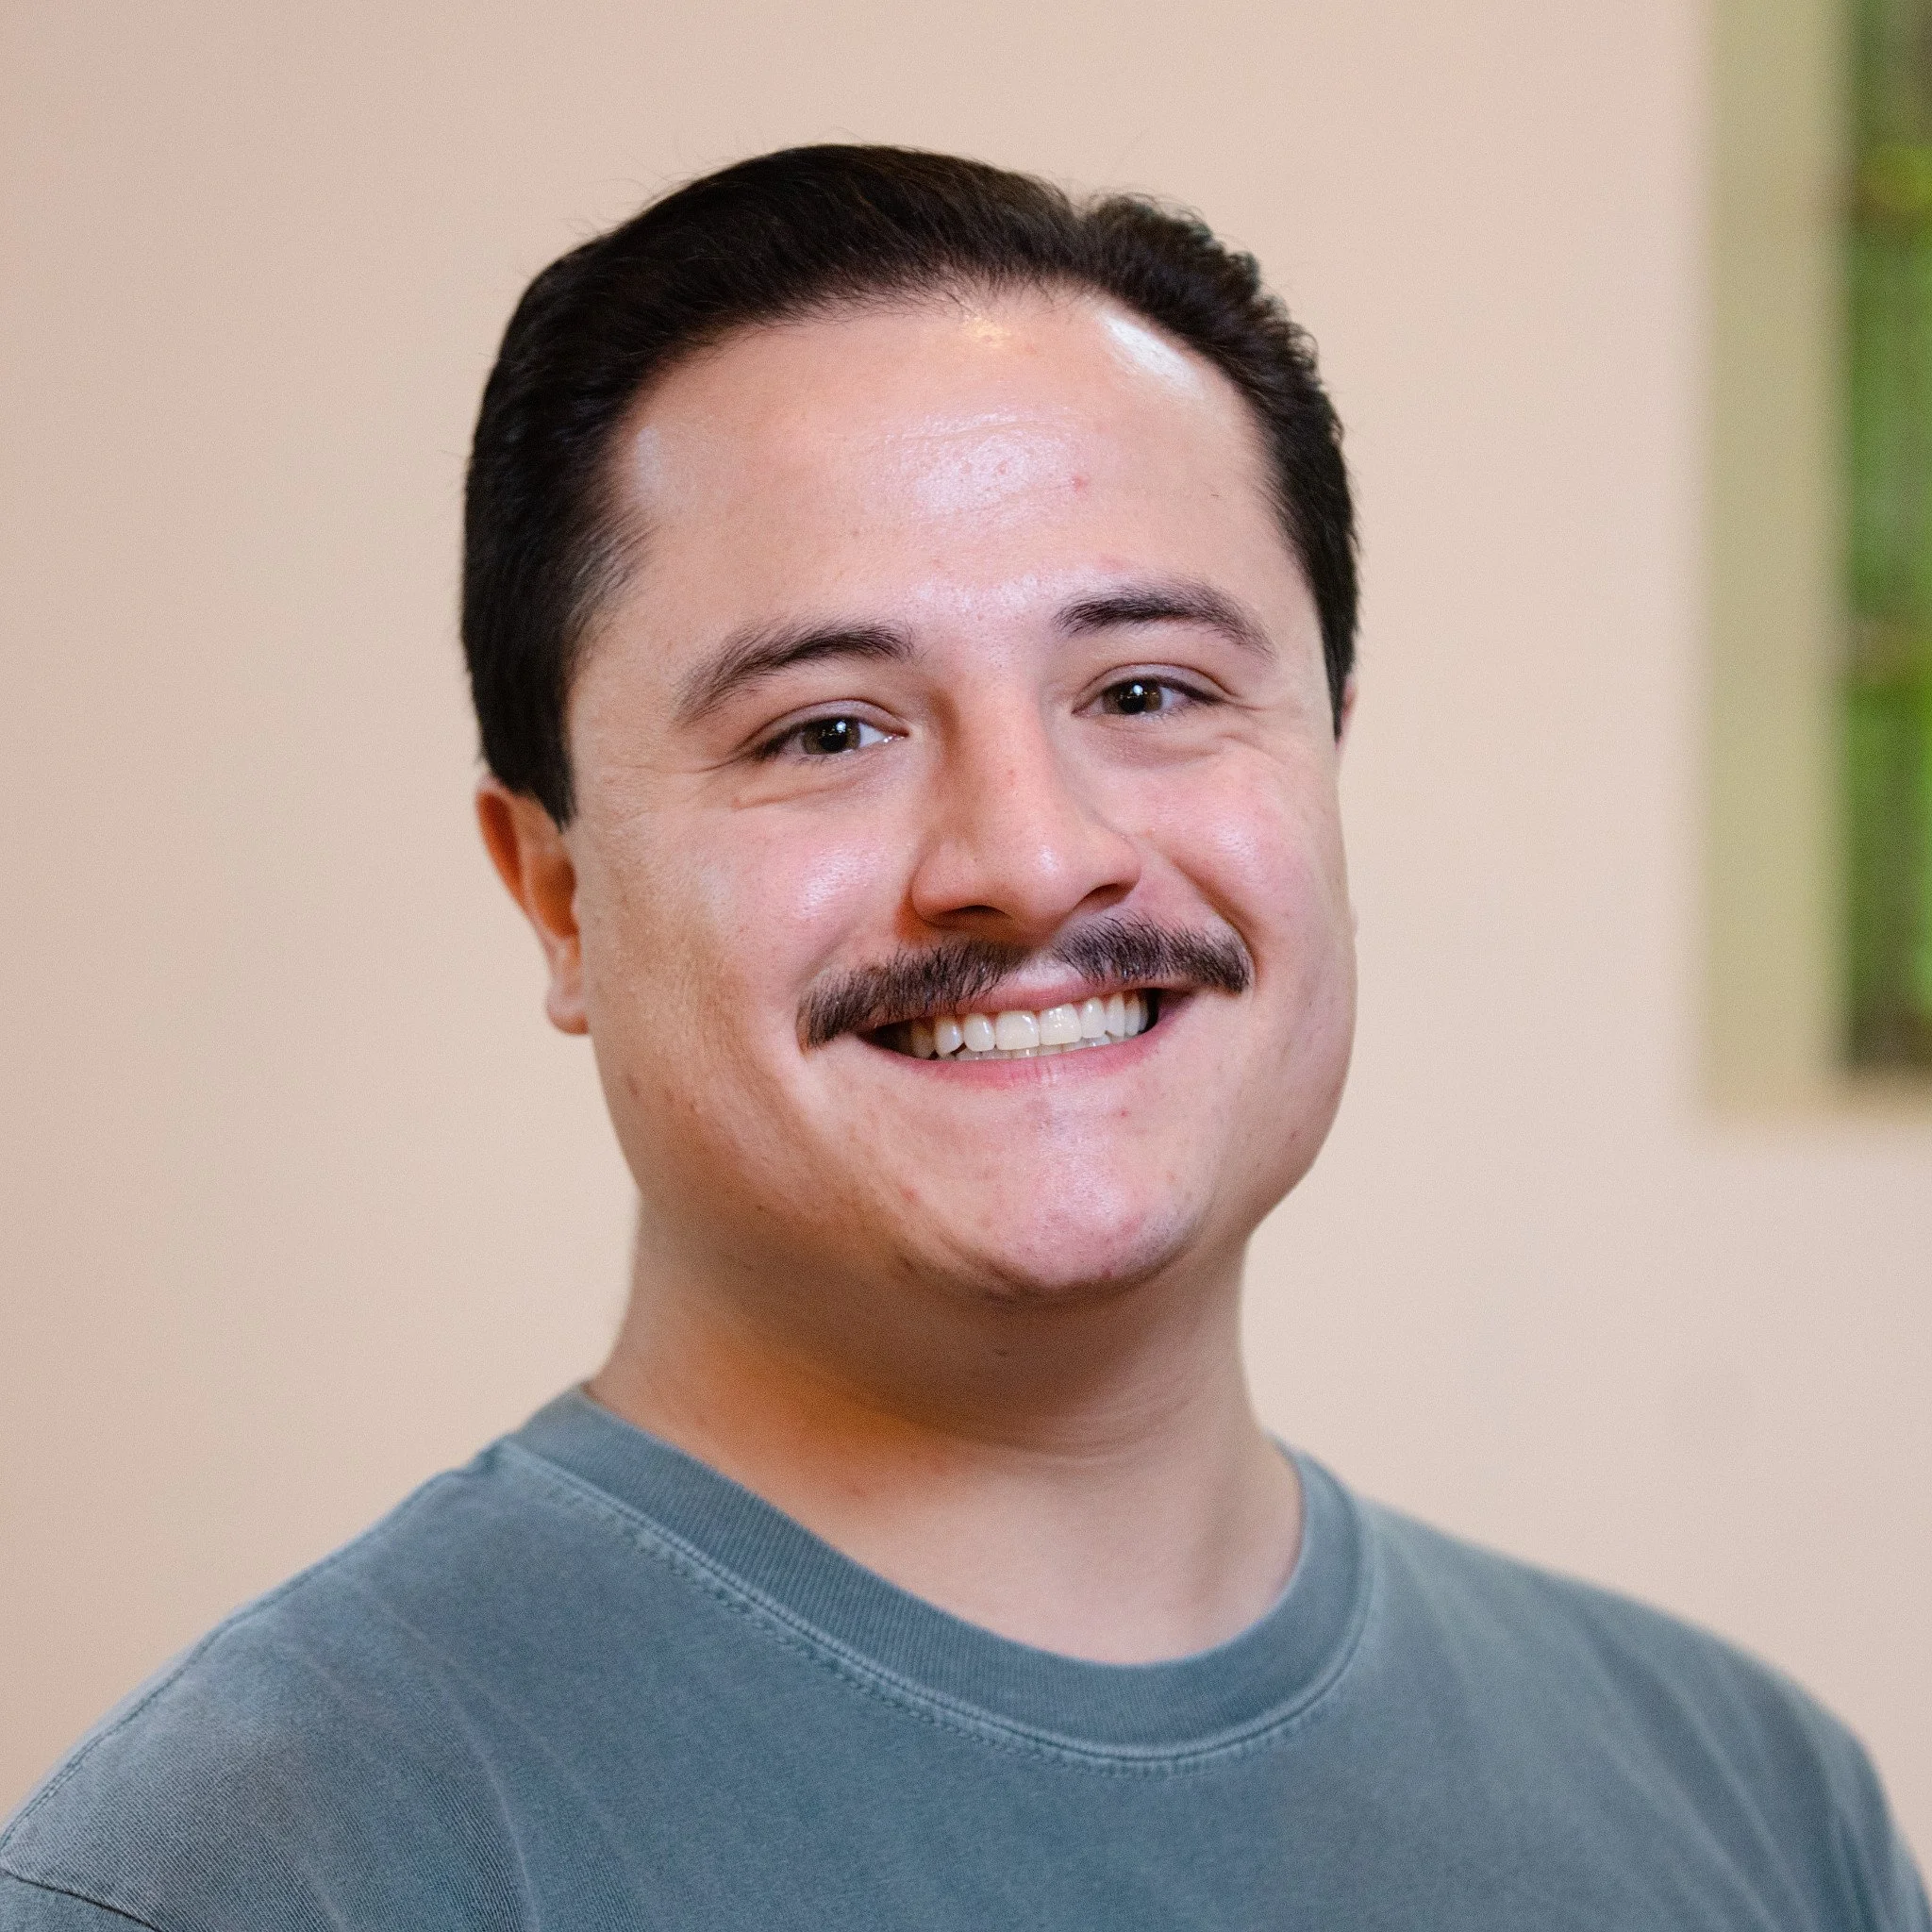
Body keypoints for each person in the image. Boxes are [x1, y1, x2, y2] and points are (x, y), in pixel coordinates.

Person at [1, 143, 1924, 1931]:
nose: (1026, 855)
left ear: (1328, 761)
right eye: (824, 727)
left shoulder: (1755, 1804)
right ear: (556, 892)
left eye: (1149, 687)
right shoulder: (267, 1866)